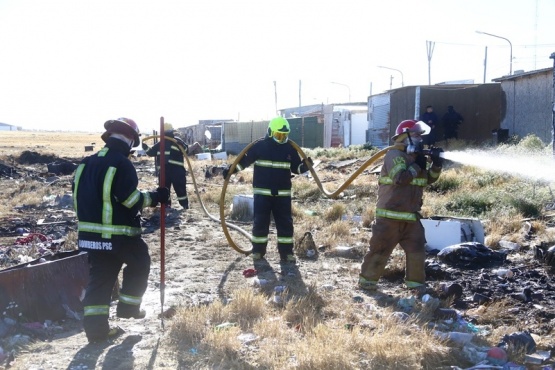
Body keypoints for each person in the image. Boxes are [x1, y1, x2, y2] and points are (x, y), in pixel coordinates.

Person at [72, 118, 170, 343]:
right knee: (140, 262)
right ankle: (129, 307)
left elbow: (78, 199)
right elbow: (130, 200)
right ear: (131, 139)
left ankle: (96, 332)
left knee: (100, 281)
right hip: (119, 236)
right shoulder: (122, 164)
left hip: (90, 238)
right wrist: (156, 197)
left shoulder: (85, 163)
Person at [359, 119, 443, 293]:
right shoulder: (394, 155)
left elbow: (427, 180)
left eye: (421, 135)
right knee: (380, 250)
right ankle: (367, 283)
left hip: (411, 218)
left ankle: (416, 286)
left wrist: (436, 164)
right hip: (389, 216)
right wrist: (415, 166)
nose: (420, 138)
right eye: (416, 135)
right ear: (405, 137)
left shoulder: (416, 159)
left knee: (417, 250)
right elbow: (401, 178)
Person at [222, 117, 312, 263]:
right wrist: (230, 170)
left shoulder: (289, 148)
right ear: (270, 132)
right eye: (278, 135)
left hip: (282, 194)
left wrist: (305, 166)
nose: (281, 139)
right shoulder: (260, 146)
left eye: (284, 136)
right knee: (260, 223)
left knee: (285, 225)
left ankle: (286, 253)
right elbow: (244, 161)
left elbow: (296, 168)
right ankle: (258, 251)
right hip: (262, 193)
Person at [142, 130, 190, 210]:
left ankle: (184, 205)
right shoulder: (160, 144)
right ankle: (166, 205)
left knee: (180, 188)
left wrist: (181, 144)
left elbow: (186, 150)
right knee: (164, 189)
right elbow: (151, 153)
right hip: (164, 171)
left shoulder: (176, 141)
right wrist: (145, 147)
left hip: (177, 171)